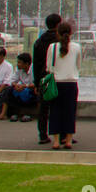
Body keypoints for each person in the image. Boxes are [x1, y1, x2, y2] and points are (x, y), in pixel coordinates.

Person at [47, 21, 81, 149]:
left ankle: (56, 141)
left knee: (55, 111)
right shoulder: (77, 47)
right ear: (71, 33)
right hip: (71, 83)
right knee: (70, 112)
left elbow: (48, 67)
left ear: (57, 32)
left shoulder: (52, 47)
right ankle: (68, 140)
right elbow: (78, 66)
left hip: (56, 83)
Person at [32, 13, 61, 144]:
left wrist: (36, 82)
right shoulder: (59, 40)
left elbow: (36, 64)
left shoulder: (39, 41)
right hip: (59, 76)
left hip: (44, 77)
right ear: (58, 24)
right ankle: (62, 134)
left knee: (44, 108)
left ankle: (42, 134)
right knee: (60, 107)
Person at [1, 53, 38, 121]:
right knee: (8, 89)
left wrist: (24, 86)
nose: (18, 64)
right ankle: (4, 114)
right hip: (22, 90)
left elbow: (37, 83)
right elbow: (12, 81)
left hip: (31, 90)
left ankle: (28, 114)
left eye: (19, 62)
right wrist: (16, 85)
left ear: (26, 64)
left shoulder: (34, 69)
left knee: (35, 91)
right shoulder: (19, 69)